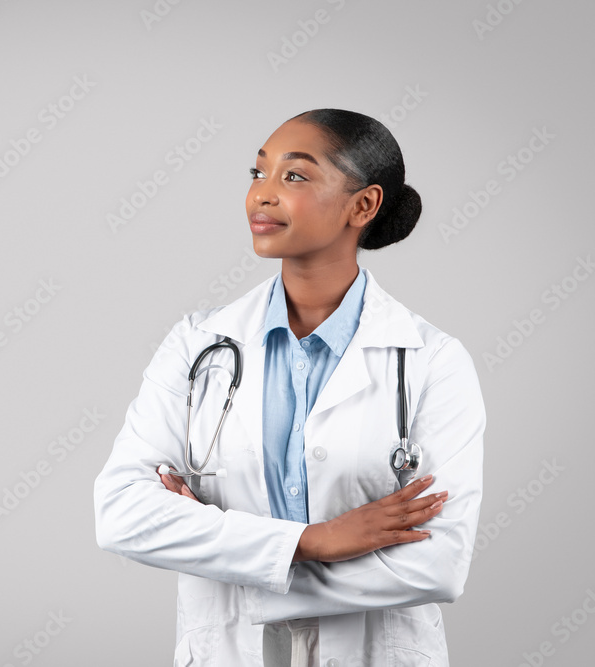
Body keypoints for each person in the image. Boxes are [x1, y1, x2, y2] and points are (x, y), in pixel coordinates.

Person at [93, 108, 485, 666]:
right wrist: (314, 541)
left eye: (294, 176)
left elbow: (437, 566)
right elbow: (121, 515)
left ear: (363, 205)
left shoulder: (433, 363)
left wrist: (224, 555)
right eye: (257, 174)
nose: (262, 196)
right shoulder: (197, 345)